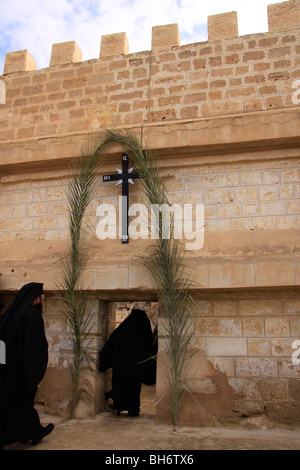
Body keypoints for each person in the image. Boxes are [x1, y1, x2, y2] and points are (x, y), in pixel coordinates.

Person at [0, 282, 54, 449]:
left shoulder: (11, 315)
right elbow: (34, 348)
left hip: (7, 371)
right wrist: (32, 375)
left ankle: (35, 431)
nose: (42, 300)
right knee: (19, 406)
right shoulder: (32, 317)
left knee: (14, 406)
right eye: (42, 298)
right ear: (35, 299)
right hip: (22, 372)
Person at [98, 309, 157, 417]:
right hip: (136, 370)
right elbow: (149, 347)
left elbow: (111, 345)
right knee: (134, 391)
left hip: (120, 369)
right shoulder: (142, 331)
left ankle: (118, 408)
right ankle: (133, 410)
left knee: (120, 388)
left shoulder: (122, 330)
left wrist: (105, 362)